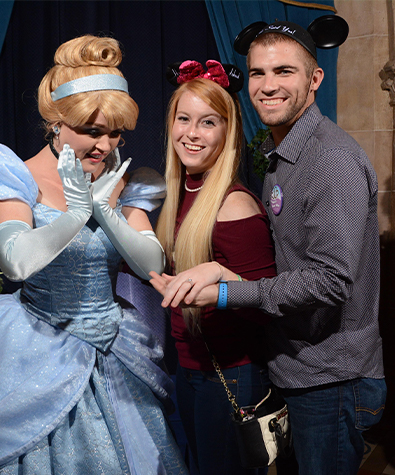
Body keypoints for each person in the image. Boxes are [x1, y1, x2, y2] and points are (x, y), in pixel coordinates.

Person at [0, 35, 187, 475]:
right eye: (92, 131)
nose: (104, 146)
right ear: (56, 123)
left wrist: (106, 211)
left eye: (115, 132)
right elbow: (15, 263)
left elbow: (151, 264)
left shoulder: (127, 180)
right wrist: (74, 216)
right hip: (37, 346)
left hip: (115, 344)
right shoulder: (15, 175)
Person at [150, 21, 386, 475]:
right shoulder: (283, 156)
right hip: (294, 370)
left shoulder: (330, 160)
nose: (268, 85)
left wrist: (225, 288)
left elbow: (331, 281)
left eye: (284, 71)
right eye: (257, 73)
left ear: (315, 79)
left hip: (331, 378)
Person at [156, 60, 277, 475]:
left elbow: (269, 304)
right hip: (188, 370)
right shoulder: (179, 193)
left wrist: (220, 279)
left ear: (227, 133)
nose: (191, 133)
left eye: (208, 122)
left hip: (230, 374)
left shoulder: (233, 204)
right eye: (183, 119)